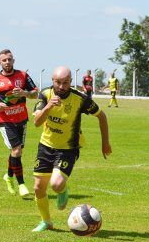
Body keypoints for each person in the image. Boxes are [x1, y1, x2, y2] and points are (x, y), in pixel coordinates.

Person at [31, 66, 112, 232]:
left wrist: (105, 143)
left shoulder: (80, 98)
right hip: (46, 145)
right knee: (38, 187)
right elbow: (37, 122)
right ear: (52, 81)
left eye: (65, 83)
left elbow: (101, 115)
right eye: (58, 82)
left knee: (56, 183)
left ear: (71, 82)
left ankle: (62, 190)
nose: (61, 87)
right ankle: (46, 222)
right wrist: (48, 108)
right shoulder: (45, 95)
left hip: (68, 148)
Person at [0, 49, 38, 199]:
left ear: (14, 60)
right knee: (17, 150)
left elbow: (35, 93)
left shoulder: (23, 76)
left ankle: (8, 176)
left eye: (9, 59)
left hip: (22, 118)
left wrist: (24, 93)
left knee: (16, 152)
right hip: (5, 121)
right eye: (4, 60)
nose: (7, 62)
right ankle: (22, 185)